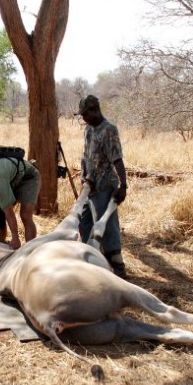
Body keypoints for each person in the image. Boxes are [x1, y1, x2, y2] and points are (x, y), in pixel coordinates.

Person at [76, 95, 129, 279]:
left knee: (107, 226)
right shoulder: (89, 130)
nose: (84, 118)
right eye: (82, 115)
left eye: (86, 114)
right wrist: (83, 178)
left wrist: (123, 185)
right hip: (89, 186)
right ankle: (94, 261)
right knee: (84, 223)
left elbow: (117, 159)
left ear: (95, 110)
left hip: (106, 185)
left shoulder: (109, 130)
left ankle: (118, 268)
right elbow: (86, 156)